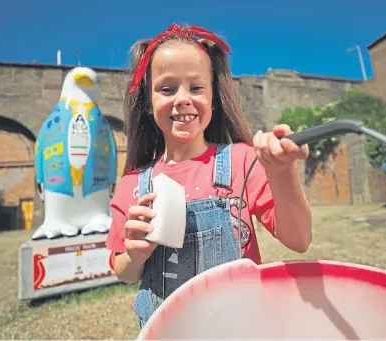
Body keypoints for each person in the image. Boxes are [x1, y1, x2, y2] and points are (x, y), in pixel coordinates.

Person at [105, 23, 312, 328]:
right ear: (148, 103)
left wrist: (281, 172)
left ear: (213, 98)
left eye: (196, 87)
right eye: (167, 88)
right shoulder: (131, 186)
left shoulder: (243, 160)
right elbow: (122, 271)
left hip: (242, 327)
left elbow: (299, 239)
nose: (183, 98)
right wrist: (134, 255)